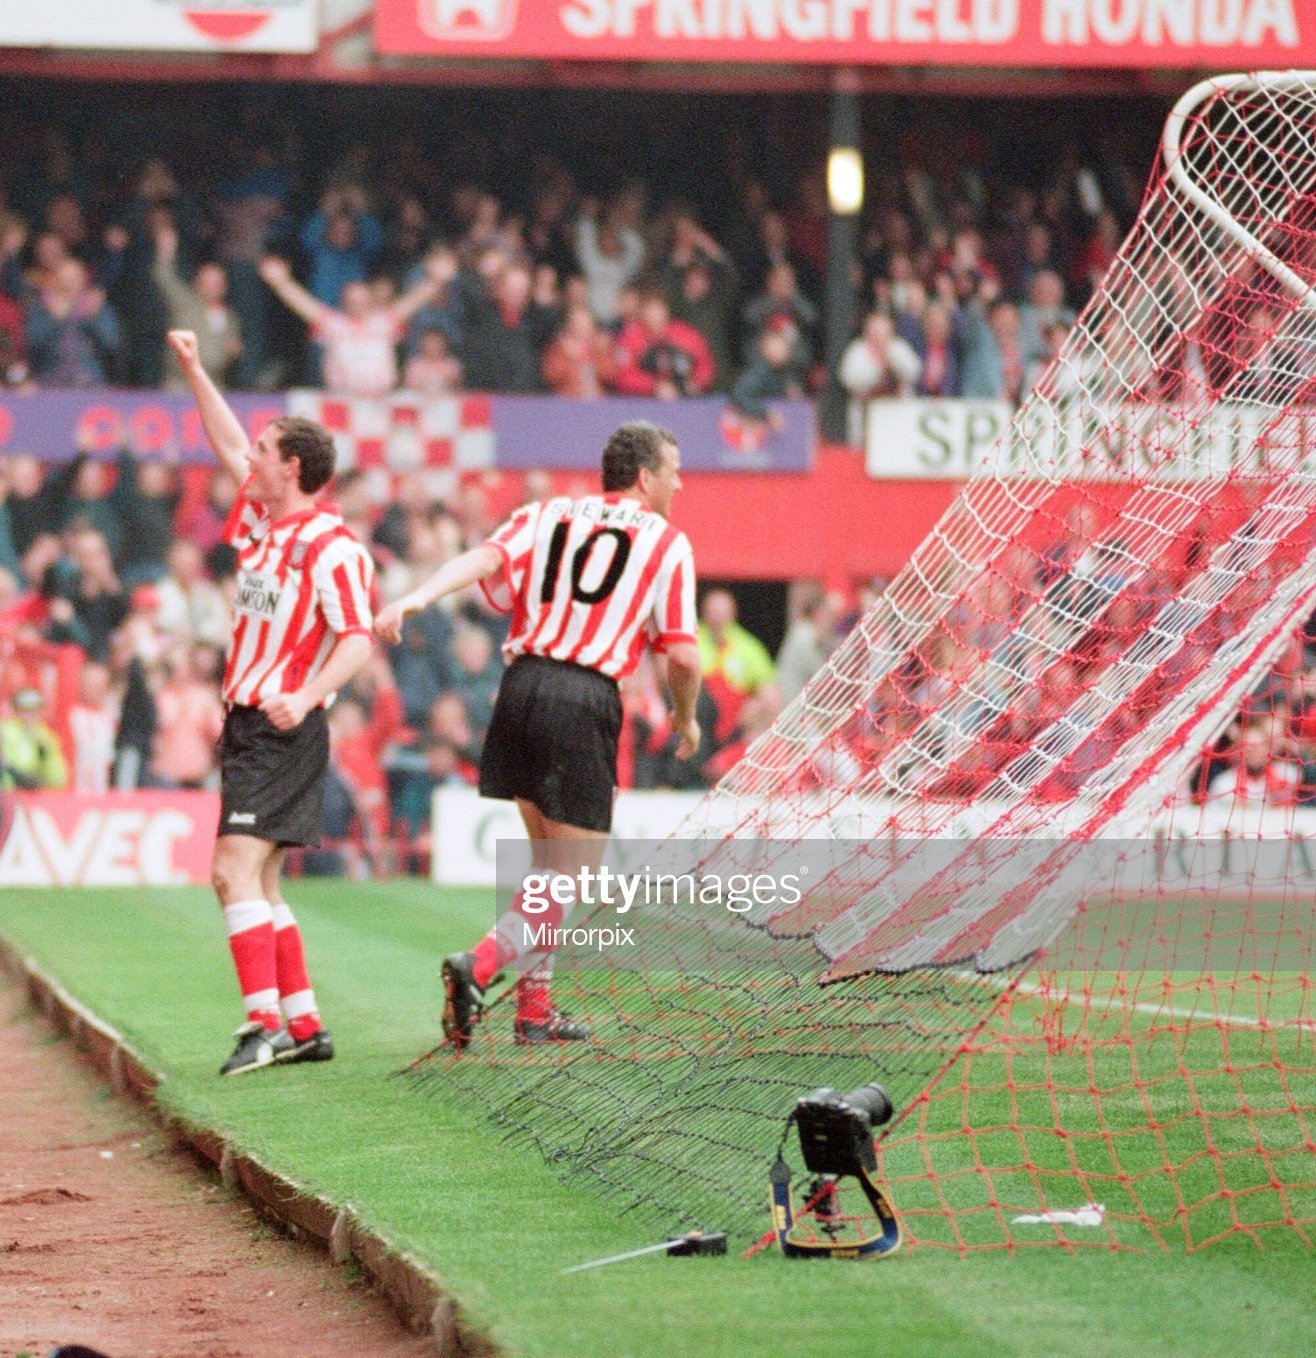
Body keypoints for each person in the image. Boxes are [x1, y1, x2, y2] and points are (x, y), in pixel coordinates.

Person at [375, 421, 702, 1049]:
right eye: (673, 471)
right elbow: (683, 658)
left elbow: (484, 561)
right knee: (572, 872)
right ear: (644, 476)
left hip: (520, 686)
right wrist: (685, 717)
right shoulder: (666, 542)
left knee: (547, 866)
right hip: (583, 697)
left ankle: (535, 1011)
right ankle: (480, 964)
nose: (679, 483)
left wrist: (416, 598)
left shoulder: (546, 512)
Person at [166, 328, 376, 1077]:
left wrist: (307, 694)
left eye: (262, 450)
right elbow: (226, 442)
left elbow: (355, 639)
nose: (246, 458)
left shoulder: (331, 546)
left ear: (291, 467)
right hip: (251, 724)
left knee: (230, 871)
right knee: (260, 880)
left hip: (282, 724)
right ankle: (305, 1025)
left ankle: (260, 1028)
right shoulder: (263, 519)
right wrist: (194, 368)